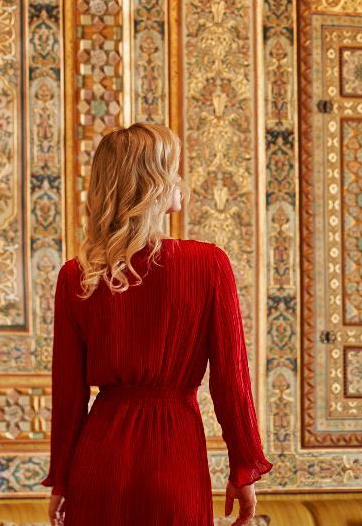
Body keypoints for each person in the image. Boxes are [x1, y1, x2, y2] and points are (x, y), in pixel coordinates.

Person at [42, 123, 272, 526]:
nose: (180, 179)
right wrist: (243, 466)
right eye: (173, 168)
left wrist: (62, 479)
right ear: (152, 184)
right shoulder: (209, 264)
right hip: (173, 461)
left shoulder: (77, 276)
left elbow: (68, 396)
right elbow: (231, 381)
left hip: (97, 465)